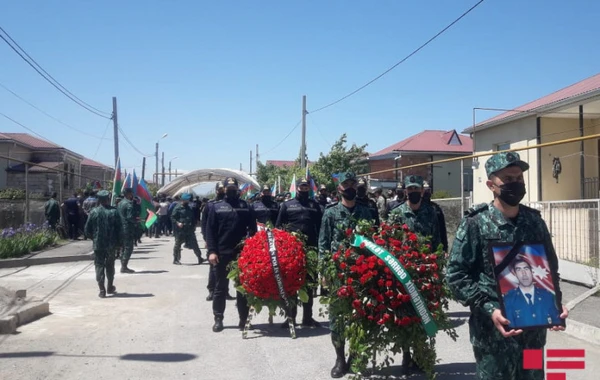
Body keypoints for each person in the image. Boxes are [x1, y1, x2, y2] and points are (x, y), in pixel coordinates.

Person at [446, 151, 568, 380]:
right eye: (508, 179)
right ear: (492, 185)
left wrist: (555, 305)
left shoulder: (534, 221)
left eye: (519, 178)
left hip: (533, 336)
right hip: (494, 338)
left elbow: (549, 267)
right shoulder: (475, 224)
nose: (516, 184)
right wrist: (489, 309)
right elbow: (455, 275)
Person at [318, 171, 374, 378]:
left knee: (361, 316)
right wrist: (324, 271)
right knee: (338, 318)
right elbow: (323, 243)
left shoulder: (366, 212)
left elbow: (373, 241)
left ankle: (356, 356)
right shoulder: (331, 212)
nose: (350, 188)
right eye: (346, 184)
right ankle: (340, 360)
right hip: (338, 274)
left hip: (362, 274)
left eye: (353, 184)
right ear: (339, 188)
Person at [387, 175, 441, 371]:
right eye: (410, 190)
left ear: (423, 191)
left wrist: (437, 267)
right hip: (403, 272)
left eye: (417, 189)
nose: (414, 193)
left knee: (424, 314)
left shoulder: (431, 212)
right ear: (405, 191)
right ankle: (406, 355)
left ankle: (419, 354)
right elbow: (388, 241)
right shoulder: (396, 213)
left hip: (426, 271)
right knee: (404, 315)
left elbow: (436, 241)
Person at [206, 177, 257, 332]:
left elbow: (253, 230)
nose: (231, 191)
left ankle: (243, 319)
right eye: (229, 188)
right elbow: (210, 231)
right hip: (222, 254)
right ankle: (218, 318)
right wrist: (212, 251)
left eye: (234, 188)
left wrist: (251, 248)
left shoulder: (245, 206)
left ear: (238, 189)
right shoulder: (216, 207)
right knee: (220, 288)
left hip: (242, 254)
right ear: (224, 190)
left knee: (242, 289)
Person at [275, 177, 323, 328]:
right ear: (297, 188)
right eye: (301, 186)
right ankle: (291, 318)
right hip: (291, 250)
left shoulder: (315, 205)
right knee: (291, 284)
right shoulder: (286, 205)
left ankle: (307, 318)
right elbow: (278, 227)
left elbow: (320, 227)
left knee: (309, 285)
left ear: (309, 188)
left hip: (310, 250)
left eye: (306, 186)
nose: (303, 189)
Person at [503, 255, 562, 328]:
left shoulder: (547, 295)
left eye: (526, 269)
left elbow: (556, 320)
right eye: (519, 270)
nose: (523, 273)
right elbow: (510, 325)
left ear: (531, 272)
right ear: (515, 274)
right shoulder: (509, 299)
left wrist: (561, 320)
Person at [85, 190, 123, 298]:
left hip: (98, 244)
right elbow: (120, 229)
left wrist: (95, 238)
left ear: (98, 199)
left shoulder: (93, 212)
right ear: (107, 199)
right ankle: (110, 286)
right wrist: (120, 243)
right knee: (110, 265)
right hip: (111, 244)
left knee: (99, 265)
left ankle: (102, 290)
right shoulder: (114, 212)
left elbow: (87, 230)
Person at [202, 182, 234, 301]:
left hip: (226, 242)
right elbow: (206, 224)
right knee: (214, 268)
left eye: (222, 189)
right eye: (220, 189)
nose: (222, 191)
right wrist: (207, 240)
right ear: (216, 190)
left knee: (228, 271)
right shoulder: (211, 205)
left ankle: (225, 292)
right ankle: (211, 290)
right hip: (214, 242)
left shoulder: (232, 204)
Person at [171, 193, 205, 265]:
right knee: (177, 244)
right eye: (187, 200)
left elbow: (192, 217)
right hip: (181, 230)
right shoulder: (178, 208)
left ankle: (199, 257)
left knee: (195, 244)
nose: (188, 201)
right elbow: (172, 217)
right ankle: (175, 259)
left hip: (189, 229)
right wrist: (178, 223)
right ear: (183, 200)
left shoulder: (189, 207)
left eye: (188, 200)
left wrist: (195, 224)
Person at [422, 183, 449, 252]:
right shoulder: (417, 207)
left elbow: (442, 229)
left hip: (434, 244)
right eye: (425, 191)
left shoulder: (435, 208)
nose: (426, 193)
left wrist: (445, 248)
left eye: (428, 191)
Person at [117, 188, 137, 273]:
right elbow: (129, 217)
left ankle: (123, 264)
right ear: (129, 194)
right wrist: (136, 221)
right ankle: (124, 266)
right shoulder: (129, 204)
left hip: (120, 227)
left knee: (123, 247)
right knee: (129, 247)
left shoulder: (120, 203)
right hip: (127, 228)